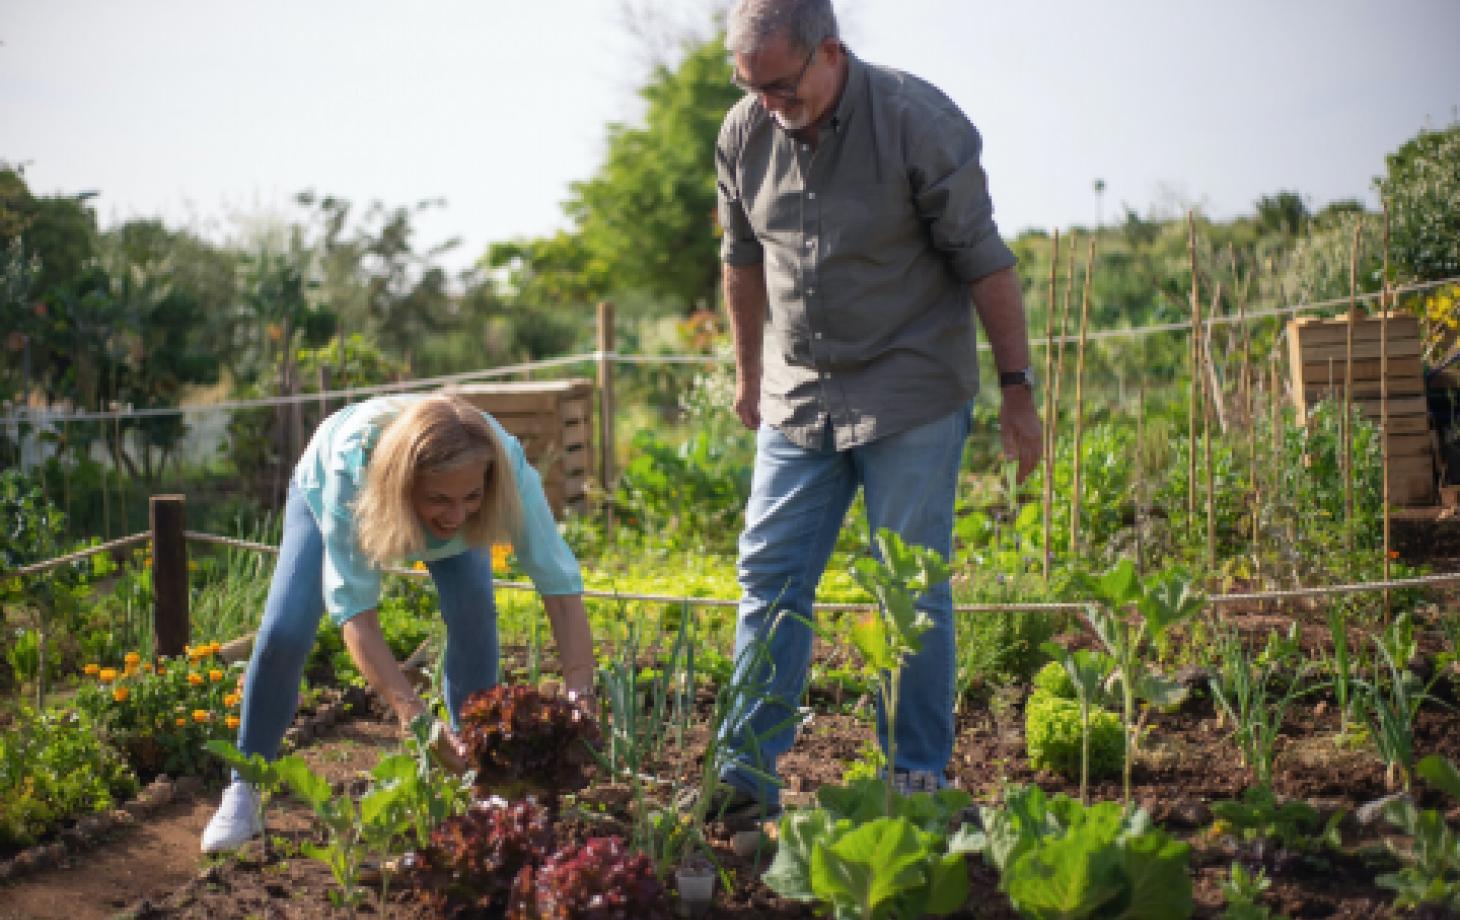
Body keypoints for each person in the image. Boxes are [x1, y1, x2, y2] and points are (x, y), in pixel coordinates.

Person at [706, 0, 1043, 822]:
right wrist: (749, 373)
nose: (768, 105)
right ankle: (743, 781)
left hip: (910, 390)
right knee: (768, 580)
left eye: (781, 87)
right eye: (751, 87)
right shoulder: (745, 131)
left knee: (909, 589)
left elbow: (985, 263)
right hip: (800, 392)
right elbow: (741, 259)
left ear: (830, 53)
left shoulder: (917, 122)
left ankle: (916, 778)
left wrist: (1017, 390)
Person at [201, 392, 596, 853]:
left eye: (472, 496)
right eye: (440, 499)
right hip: (336, 486)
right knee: (284, 633)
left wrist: (579, 695)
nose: (456, 514)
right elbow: (356, 615)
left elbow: (561, 590)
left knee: (474, 615)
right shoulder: (352, 475)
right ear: (407, 485)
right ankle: (243, 789)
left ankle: (481, 779)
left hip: (437, 494)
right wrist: (416, 719)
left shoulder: (503, 466)